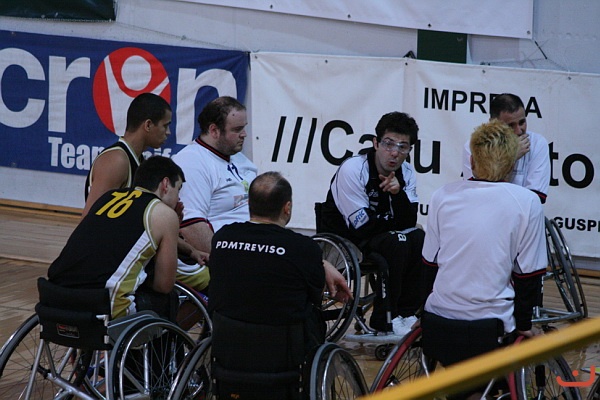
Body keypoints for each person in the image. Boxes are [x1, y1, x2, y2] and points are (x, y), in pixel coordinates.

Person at [421, 120, 547, 399]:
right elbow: (529, 276)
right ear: (511, 164)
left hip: (438, 325)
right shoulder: (527, 202)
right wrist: (525, 326)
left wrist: (423, 314)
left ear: (472, 160)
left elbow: (429, 265)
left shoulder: (442, 195)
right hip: (489, 332)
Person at [208, 171, 352, 353]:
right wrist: (321, 264)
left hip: (228, 347)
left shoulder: (222, 237)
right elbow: (316, 296)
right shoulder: (303, 247)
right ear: (287, 208)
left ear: (249, 204)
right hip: (282, 352)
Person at [83, 92, 209, 293]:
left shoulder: (140, 163)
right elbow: (89, 220)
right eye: (165, 125)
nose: (168, 132)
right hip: (109, 258)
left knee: (201, 271)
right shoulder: (117, 160)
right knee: (205, 277)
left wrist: (191, 249)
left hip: (124, 249)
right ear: (148, 125)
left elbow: (145, 228)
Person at [318, 111, 425, 335]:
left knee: (420, 238)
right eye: (388, 144)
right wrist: (393, 224)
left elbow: (410, 220)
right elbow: (362, 227)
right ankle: (385, 318)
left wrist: (398, 195)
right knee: (398, 242)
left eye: (403, 147)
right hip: (347, 237)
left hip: (381, 235)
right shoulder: (353, 169)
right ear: (376, 143)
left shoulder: (406, 172)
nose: (394, 153)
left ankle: (406, 313)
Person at [48, 156, 185, 320]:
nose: (179, 199)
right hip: (101, 306)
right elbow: (164, 285)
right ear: (165, 184)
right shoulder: (165, 214)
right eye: (178, 190)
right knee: (168, 299)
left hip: (54, 295)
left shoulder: (108, 197)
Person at [173, 96, 258, 255]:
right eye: (237, 129)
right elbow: (191, 227)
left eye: (244, 128)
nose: (244, 134)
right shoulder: (191, 162)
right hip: (227, 257)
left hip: (256, 247)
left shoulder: (240, 158)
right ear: (214, 131)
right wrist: (226, 263)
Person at [462, 93, 550, 203]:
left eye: (522, 122)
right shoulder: (474, 146)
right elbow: (475, 195)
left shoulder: (537, 143)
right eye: (510, 125)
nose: (519, 131)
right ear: (493, 124)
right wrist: (510, 157)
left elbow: (536, 199)